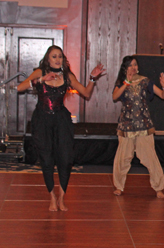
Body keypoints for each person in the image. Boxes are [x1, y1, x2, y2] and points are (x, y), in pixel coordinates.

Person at [17, 45, 105, 211]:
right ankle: (52, 196)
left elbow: (86, 93)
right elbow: (20, 87)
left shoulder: (68, 76)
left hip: (61, 120)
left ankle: (62, 197)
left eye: (60, 57)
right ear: (47, 59)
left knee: (65, 159)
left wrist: (92, 79)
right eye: (54, 57)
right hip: (42, 120)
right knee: (47, 159)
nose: (58, 60)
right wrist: (42, 79)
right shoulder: (40, 73)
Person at [112, 56, 164, 198]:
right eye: (130, 65)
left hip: (144, 124)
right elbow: (114, 97)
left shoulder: (145, 81)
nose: (133, 68)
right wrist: (127, 82)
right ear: (125, 68)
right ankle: (119, 186)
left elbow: (162, 95)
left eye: (135, 65)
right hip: (126, 125)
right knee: (122, 157)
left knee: (150, 156)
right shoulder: (122, 82)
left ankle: (158, 187)